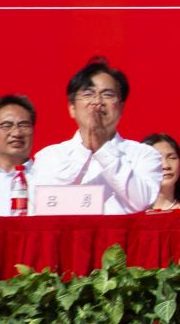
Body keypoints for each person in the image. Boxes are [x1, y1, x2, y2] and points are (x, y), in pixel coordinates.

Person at [27, 56, 163, 213]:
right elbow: (43, 204)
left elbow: (142, 202)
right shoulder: (49, 157)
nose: (97, 102)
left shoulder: (144, 154)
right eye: (88, 94)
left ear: (121, 107)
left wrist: (103, 148)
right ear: (72, 108)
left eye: (107, 95)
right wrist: (86, 148)